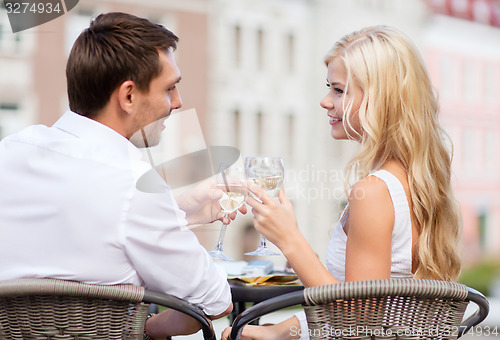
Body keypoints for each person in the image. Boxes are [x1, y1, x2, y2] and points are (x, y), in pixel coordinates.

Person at [0, 12, 245, 339]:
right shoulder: (134, 184)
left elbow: (86, 218)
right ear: (128, 96)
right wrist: (149, 329)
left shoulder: (11, 150)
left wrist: (177, 210)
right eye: (170, 88)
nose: (178, 102)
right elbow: (215, 301)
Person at [222, 25, 462, 340]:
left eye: (338, 90)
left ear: (379, 98)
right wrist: (279, 331)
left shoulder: (375, 193)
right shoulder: (413, 180)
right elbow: (379, 308)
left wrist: (291, 240)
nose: (325, 101)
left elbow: (356, 321)